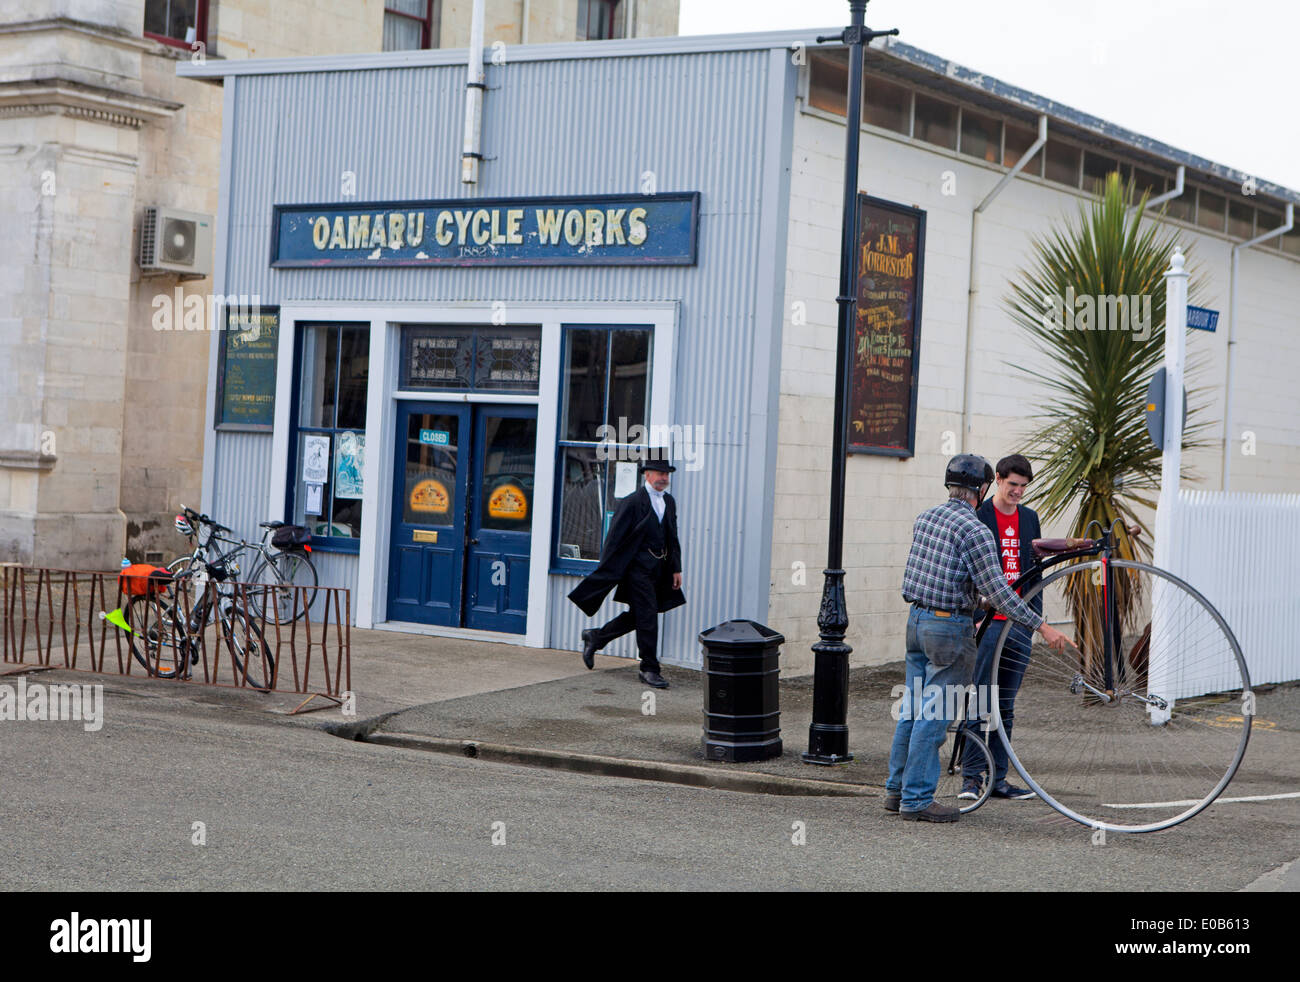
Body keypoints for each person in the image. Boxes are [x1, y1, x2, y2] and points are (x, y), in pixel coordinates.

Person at [885, 454, 1071, 823]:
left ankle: (895, 790)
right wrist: (1042, 626)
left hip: (917, 621)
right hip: (949, 630)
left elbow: (941, 577)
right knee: (935, 715)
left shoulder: (926, 518)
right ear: (983, 488)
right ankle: (917, 799)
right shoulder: (974, 530)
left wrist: (977, 599)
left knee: (912, 708)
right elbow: (1000, 593)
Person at [960, 454, 1041, 802]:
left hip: (1019, 624)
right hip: (989, 621)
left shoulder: (1029, 518)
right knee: (979, 699)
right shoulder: (979, 517)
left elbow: (1035, 571)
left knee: (1005, 704)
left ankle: (998, 778)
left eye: (1023, 487)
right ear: (998, 479)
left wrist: (1034, 619)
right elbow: (966, 569)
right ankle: (971, 778)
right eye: (1012, 485)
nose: (1018, 492)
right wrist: (977, 615)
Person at [567, 449, 685, 689]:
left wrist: (676, 569)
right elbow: (613, 540)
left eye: (667, 473)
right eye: (660, 473)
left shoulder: (669, 502)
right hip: (636, 571)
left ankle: (596, 637)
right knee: (648, 617)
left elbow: (673, 537)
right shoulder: (632, 502)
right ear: (647, 474)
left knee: (639, 616)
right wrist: (609, 570)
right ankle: (649, 669)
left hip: (659, 570)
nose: (664, 477)